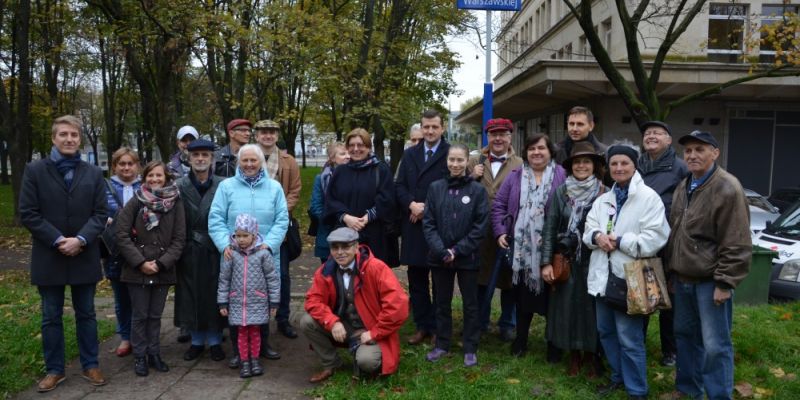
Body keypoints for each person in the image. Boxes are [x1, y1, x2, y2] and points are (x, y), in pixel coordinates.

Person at [19, 115, 109, 392]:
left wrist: (80, 239)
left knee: (87, 313)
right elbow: (28, 213)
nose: (69, 139)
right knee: (50, 316)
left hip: (84, 254)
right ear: (53, 138)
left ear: (80, 139)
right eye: (63, 135)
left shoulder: (93, 173)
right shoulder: (34, 170)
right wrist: (58, 240)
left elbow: (100, 213)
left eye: (74, 135)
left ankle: (90, 364)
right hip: (50, 255)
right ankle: (55, 370)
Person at [667, 131, 751, 400]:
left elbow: (736, 240)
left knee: (716, 346)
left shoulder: (727, 187)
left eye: (699, 149)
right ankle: (688, 389)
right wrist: (672, 270)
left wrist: (725, 282)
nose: (692, 155)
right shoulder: (685, 185)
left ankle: (718, 396)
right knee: (684, 337)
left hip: (710, 282)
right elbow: (676, 232)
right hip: (683, 279)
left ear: (715, 153)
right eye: (688, 150)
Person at [583, 144, 670, 399]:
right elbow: (588, 230)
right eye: (614, 164)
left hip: (631, 277)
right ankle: (618, 377)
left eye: (624, 163)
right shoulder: (603, 200)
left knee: (629, 337)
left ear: (634, 166)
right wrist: (597, 236)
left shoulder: (648, 198)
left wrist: (621, 241)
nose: (619, 168)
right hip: (602, 276)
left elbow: (656, 238)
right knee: (606, 331)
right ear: (608, 168)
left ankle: (636, 390)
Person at [209, 144, 289, 369]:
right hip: (234, 256)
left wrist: (269, 245)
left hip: (263, 255)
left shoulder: (274, 188)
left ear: (261, 162)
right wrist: (226, 244)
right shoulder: (226, 187)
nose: (249, 164)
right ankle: (239, 351)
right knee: (238, 300)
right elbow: (215, 218)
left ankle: (263, 345)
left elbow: (282, 219)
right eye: (245, 160)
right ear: (238, 162)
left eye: (254, 160)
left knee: (261, 298)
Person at [491, 134, 566, 359]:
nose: (536, 152)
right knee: (522, 297)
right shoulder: (515, 176)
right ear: (526, 152)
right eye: (532, 148)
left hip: (550, 247)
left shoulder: (562, 175)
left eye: (541, 148)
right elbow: (498, 206)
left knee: (553, 298)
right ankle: (520, 340)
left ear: (550, 151)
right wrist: (500, 232)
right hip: (521, 250)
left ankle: (553, 344)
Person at [301, 227, 409, 383]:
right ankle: (331, 364)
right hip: (344, 326)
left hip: (372, 328)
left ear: (356, 247)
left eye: (345, 247)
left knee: (367, 362)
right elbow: (312, 300)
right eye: (335, 247)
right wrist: (332, 322)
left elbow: (398, 305)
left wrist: (375, 332)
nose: (340, 252)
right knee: (306, 321)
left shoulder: (376, 268)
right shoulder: (326, 270)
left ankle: (364, 354)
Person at [540, 141, 607, 376]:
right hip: (567, 261)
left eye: (586, 162)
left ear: (595, 166)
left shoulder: (605, 193)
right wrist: (546, 262)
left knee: (591, 310)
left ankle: (592, 354)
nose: (581, 166)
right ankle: (574, 355)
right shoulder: (562, 192)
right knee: (567, 308)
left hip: (594, 261)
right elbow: (549, 228)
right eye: (577, 162)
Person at [116, 160, 186, 377]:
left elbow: (179, 238)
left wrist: (162, 263)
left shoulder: (175, 202)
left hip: (162, 268)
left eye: (159, 176)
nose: (155, 179)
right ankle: (139, 355)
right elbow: (122, 234)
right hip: (137, 269)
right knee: (139, 314)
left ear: (166, 178)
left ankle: (154, 353)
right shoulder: (136, 201)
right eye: (150, 176)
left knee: (155, 315)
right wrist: (140, 262)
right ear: (144, 178)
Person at [422, 144, 488, 366]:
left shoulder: (477, 190)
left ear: (467, 161)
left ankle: (470, 346)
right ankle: (442, 344)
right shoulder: (435, 188)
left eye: (460, 160)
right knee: (442, 302)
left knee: (470, 303)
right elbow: (429, 223)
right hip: (439, 257)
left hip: (467, 257)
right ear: (446, 161)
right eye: (452, 160)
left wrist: (457, 250)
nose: (456, 164)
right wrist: (442, 251)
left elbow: (480, 226)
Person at [395, 109, 450, 346]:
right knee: (416, 280)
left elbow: (454, 187)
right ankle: (422, 325)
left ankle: (438, 327)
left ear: (442, 128)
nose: (429, 131)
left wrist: (426, 208)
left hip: (439, 227)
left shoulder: (451, 154)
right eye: (426, 127)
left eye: (434, 127)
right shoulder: (410, 154)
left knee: (440, 282)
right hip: (413, 225)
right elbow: (399, 186)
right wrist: (411, 204)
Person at [636, 120, 688, 367]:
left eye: (658, 133)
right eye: (647, 133)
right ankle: (638, 344)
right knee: (643, 295)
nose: (651, 136)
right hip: (643, 241)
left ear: (669, 140)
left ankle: (672, 349)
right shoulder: (637, 165)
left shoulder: (680, 168)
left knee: (670, 299)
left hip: (670, 241)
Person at [468, 118, 523, 341]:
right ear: (487, 136)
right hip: (479, 232)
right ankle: (480, 322)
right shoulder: (473, 161)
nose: (498, 138)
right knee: (481, 278)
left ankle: (507, 324)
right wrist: (470, 177)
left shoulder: (520, 163)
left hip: (509, 231)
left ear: (510, 137)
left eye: (502, 134)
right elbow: (453, 186)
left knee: (509, 279)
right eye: (493, 134)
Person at [174, 139, 227, 362]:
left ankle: (215, 341)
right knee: (190, 295)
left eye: (205, 155)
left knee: (215, 293)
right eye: (196, 155)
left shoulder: (224, 184)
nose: (201, 159)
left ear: (212, 158)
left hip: (215, 246)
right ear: (189, 159)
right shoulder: (178, 185)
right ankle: (196, 341)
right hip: (188, 248)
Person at [254, 119, 302, 340]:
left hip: (279, 226)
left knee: (281, 274)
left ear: (276, 135)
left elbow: (294, 190)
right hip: (252, 226)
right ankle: (256, 319)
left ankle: (283, 318)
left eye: (271, 132)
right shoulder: (248, 157)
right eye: (263, 132)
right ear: (257, 135)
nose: (267, 136)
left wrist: (280, 213)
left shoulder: (288, 161)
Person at [218, 213, 281, 378]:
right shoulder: (231, 254)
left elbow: (272, 279)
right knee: (241, 332)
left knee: (255, 332)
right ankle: (244, 362)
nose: (241, 239)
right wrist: (223, 302)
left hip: (257, 301)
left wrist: (274, 302)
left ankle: (255, 360)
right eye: (237, 236)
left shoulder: (263, 254)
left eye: (245, 235)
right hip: (237, 301)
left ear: (254, 235)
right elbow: (224, 279)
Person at [324, 128, 395, 263]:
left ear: (368, 147)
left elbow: (387, 198)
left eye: (360, 145)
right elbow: (331, 199)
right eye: (351, 145)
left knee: (371, 277)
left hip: (374, 234)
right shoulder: (340, 171)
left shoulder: (380, 170)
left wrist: (367, 218)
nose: (356, 149)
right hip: (344, 235)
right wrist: (346, 217)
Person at [103, 147, 142, 358]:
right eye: (122, 164)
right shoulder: (105, 187)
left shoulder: (145, 186)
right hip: (115, 250)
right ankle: (126, 336)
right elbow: (96, 212)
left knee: (140, 296)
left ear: (137, 166)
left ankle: (140, 335)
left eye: (130, 163)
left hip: (141, 249)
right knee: (121, 296)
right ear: (115, 166)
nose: (126, 168)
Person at [309, 142, 350, 263]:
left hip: (351, 232)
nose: (348, 156)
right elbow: (316, 207)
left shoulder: (356, 177)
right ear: (332, 158)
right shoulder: (321, 178)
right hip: (328, 233)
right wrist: (333, 220)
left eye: (348, 153)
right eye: (343, 154)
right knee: (329, 276)